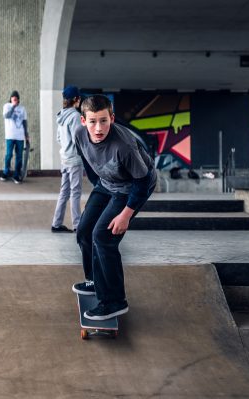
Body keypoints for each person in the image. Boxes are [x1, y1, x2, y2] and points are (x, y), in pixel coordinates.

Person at [72, 95, 156, 321]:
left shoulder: (124, 145)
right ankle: (95, 281)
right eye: (92, 122)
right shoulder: (79, 135)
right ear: (83, 121)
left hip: (131, 187)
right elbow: (89, 163)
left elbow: (143, 181)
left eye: (103, 121)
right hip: (106, 184)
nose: (98, 128)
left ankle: (114, 301)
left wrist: (126, 214)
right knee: (84, 231)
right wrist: (100, 185)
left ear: (112, 118)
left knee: (103, 237)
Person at [51, 85, 84, 233]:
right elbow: (79, 139)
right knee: (75, 192)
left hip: (64, 158)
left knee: (64, 192)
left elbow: (59, 138)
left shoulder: (61, 115)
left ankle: (56, 224)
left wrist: (66, 147)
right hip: (74, 160)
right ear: (76, 99)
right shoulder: (75, 116)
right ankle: (77, 225)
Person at [1, 90, 29, 184]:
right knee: (8, 155)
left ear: (19, 100)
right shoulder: (7, 106)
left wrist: (26, 135)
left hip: (20, 136)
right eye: (13, 99)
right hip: (10, 135)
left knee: (19, 157)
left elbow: (24, 122)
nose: (15, 100)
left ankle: (16, 175)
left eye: (16, 99)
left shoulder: (22, 108)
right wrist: (13, 106)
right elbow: (6, 116)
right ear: (11, 99)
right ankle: (6, 172)